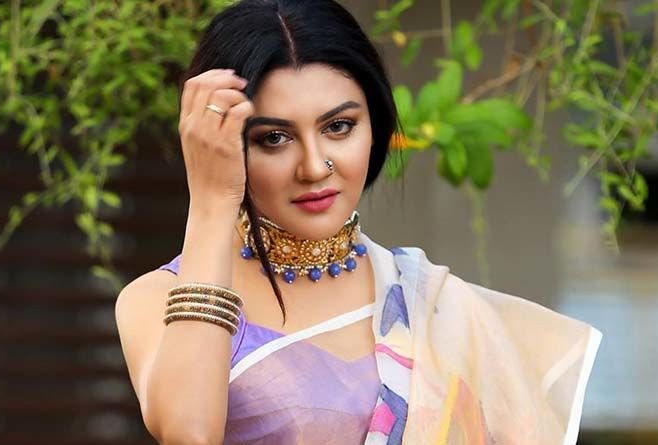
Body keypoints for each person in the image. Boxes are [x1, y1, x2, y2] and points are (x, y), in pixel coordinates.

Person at [114, 1, 603, 444]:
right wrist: (212, 201)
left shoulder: (435, 309)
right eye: (274, 138)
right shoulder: (153, 300)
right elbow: (188, 432)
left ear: (375, 125)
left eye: (338, 127)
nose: (314, 167)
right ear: (226, 144)